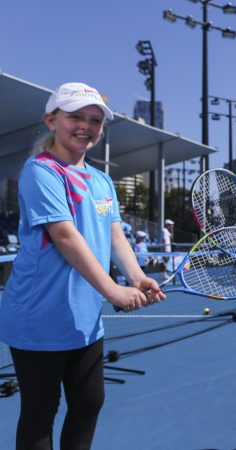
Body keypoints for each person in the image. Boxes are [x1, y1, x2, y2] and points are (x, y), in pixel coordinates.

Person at [0, 82, 165, 449]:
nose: (85, 126)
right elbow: (65, 237)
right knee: (41, 412)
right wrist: (112, 289)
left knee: (89, 403)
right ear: (51, 120)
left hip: (84, 320)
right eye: (75, 116)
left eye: (94, 120)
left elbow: (114, 237)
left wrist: (137, 278)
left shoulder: (103, 180)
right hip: (38, 317)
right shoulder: (41, 170)